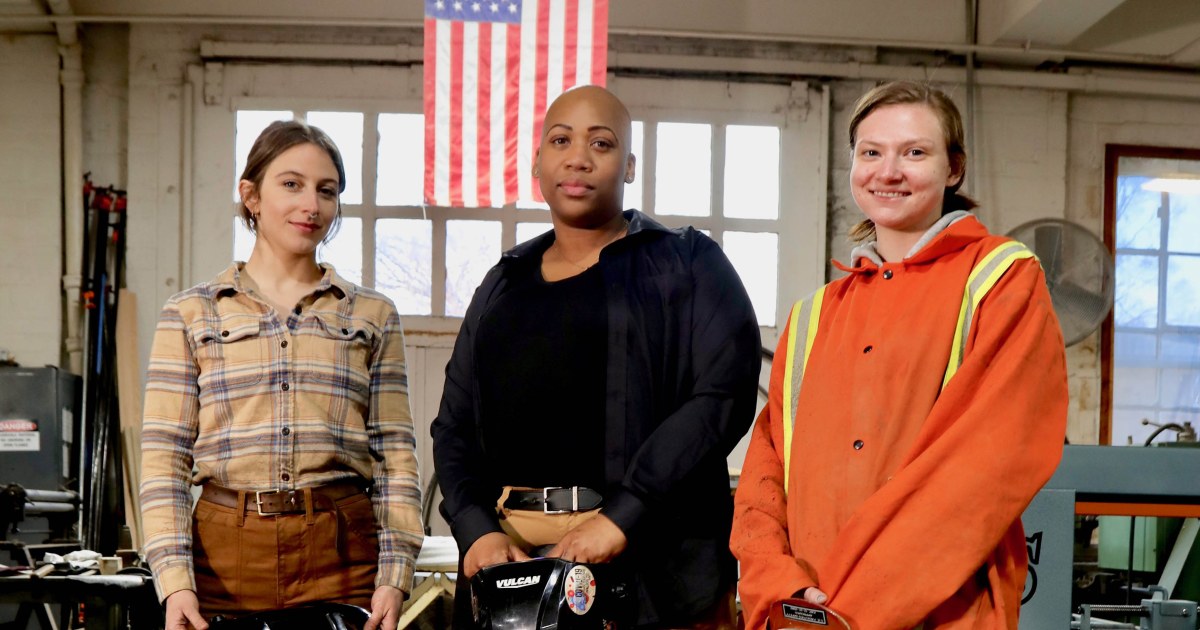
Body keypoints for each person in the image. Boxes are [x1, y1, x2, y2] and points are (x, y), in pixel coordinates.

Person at [731, 81, 1069, 629]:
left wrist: (850, 613)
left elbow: (982, 471)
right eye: (871, 152)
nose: (888, 172)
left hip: (942, 615)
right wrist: (779, 587)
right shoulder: (814, 314)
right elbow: (764, 478)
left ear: (953, 168)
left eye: (914, 152)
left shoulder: (1002, 281)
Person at [430, 85, 761, 628]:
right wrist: (475, 528)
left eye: (601, 143)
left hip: (652, 563)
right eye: (560, 140)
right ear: (537, 162)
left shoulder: (688, 262)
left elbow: (720, 397)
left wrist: (622, 517)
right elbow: (454, 425)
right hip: (513, 566)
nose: (578, 156)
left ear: (629, 166)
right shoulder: (502, 284)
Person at [140, 120, 424, 630]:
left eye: (327, 191)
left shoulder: (372, 315)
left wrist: (395, 571)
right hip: (222, 555)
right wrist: (174, 579)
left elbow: (396, 456)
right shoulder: (192, 314)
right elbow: (164, 460)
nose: (311, 205)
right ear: (250, 195)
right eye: (291, 184)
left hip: (343, 552)